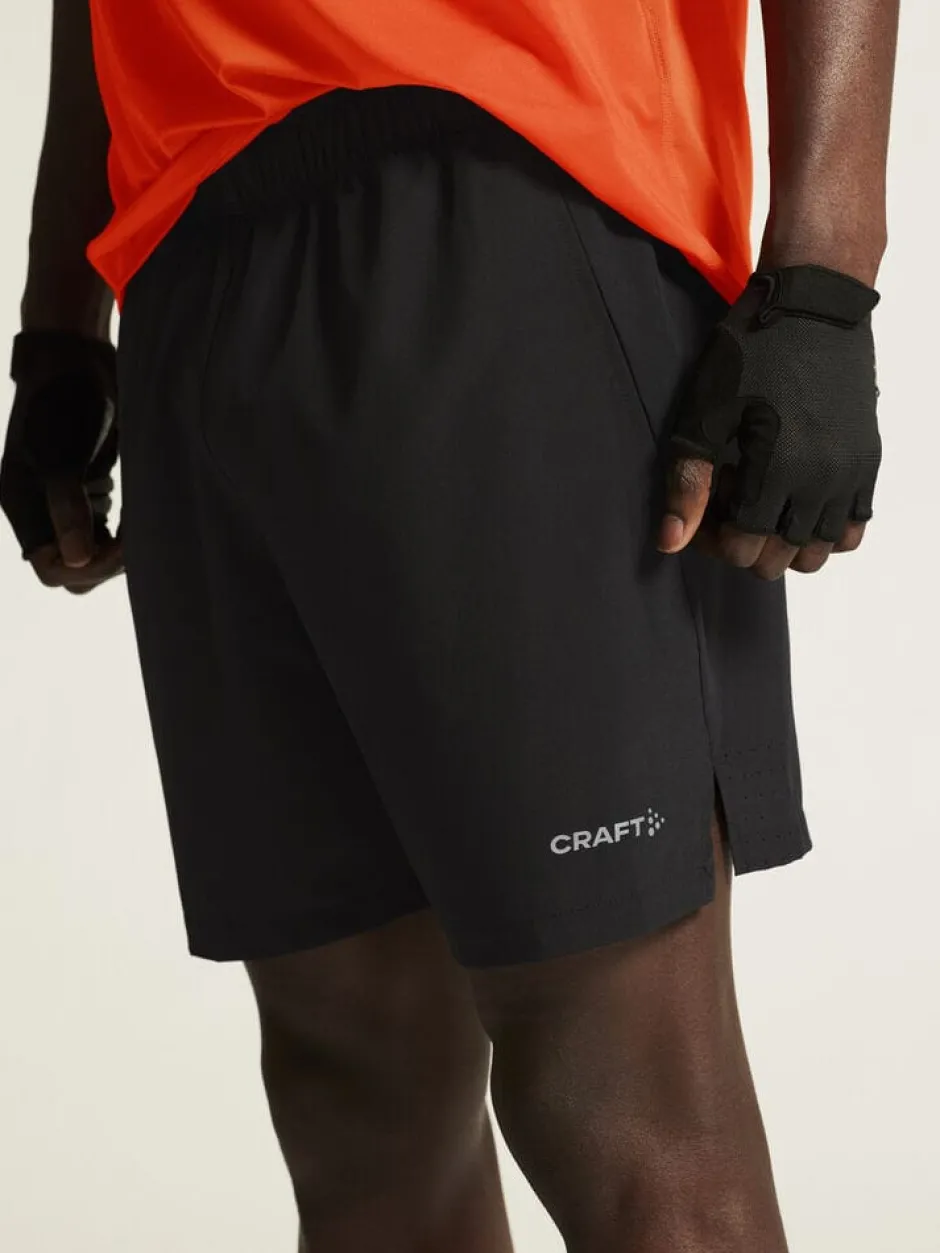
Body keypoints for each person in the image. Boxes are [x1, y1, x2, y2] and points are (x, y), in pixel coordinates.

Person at [1, 1, 896, 1249]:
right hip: (188, 254)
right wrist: (60, 315)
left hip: (512, 174)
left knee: (618, 1096)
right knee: (354, 1095)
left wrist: (824, 274)